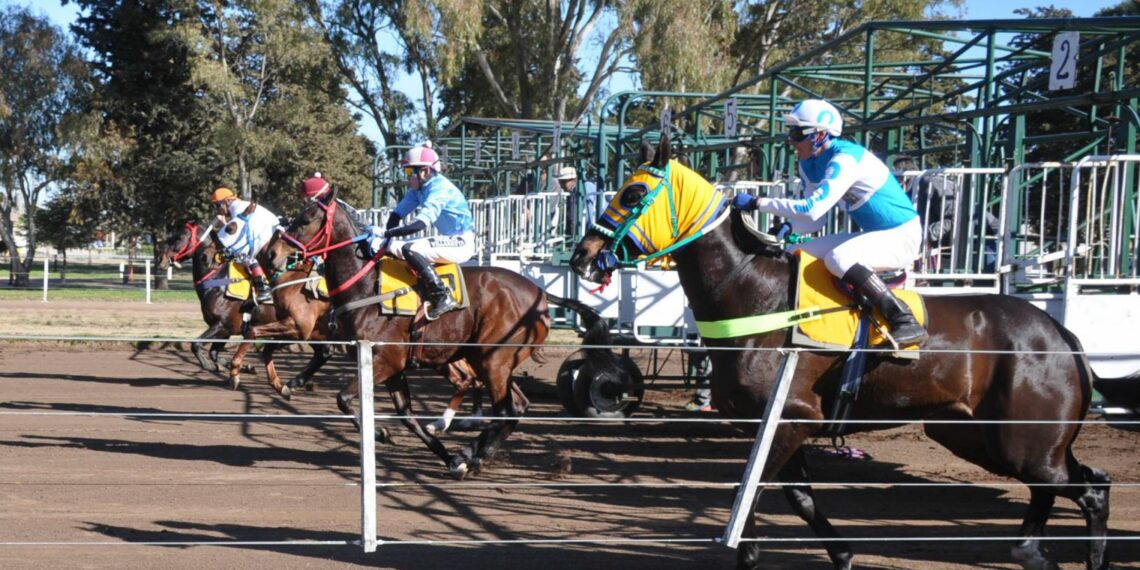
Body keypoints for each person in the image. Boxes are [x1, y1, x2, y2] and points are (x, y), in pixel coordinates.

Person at [732, 99, 928, 346]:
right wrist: (789, 227)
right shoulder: (809, 163)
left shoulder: (845, 158)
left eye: (797, 133)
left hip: (901, 236)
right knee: (794, 252)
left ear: (820, 135)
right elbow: (817, 220)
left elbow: (811, 209)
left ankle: (903, 320)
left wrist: (757, 202)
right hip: (877, 234)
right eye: (790, 132)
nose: (791, 140)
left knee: (839, 259)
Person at [373, 142, 476, 320]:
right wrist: (387, 238)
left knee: (409, 248)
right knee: (393, 247)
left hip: (461, 243)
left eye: (409, 172)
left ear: (425, 171)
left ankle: (443, 296)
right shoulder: (418, 189)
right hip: (449, 239)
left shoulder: (440, 188)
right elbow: (396, 215)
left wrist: (386, 234)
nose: (407, 177)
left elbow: (418, 225)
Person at [211, 186, 280, 303]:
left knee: (243, 257)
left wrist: (224, 225)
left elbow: (237, 233)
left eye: (217, 205)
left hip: (268, 233)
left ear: (227, 201)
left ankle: (263, 289)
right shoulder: (238, 207)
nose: (217, 210)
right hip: (267, 231)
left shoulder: (237, 209)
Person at [555, 166, 599, 238]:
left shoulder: (579, 189)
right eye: (560, 182)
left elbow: (572, 216)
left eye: (563, 182)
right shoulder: (587, 185)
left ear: (573, 180)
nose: (561, 185)